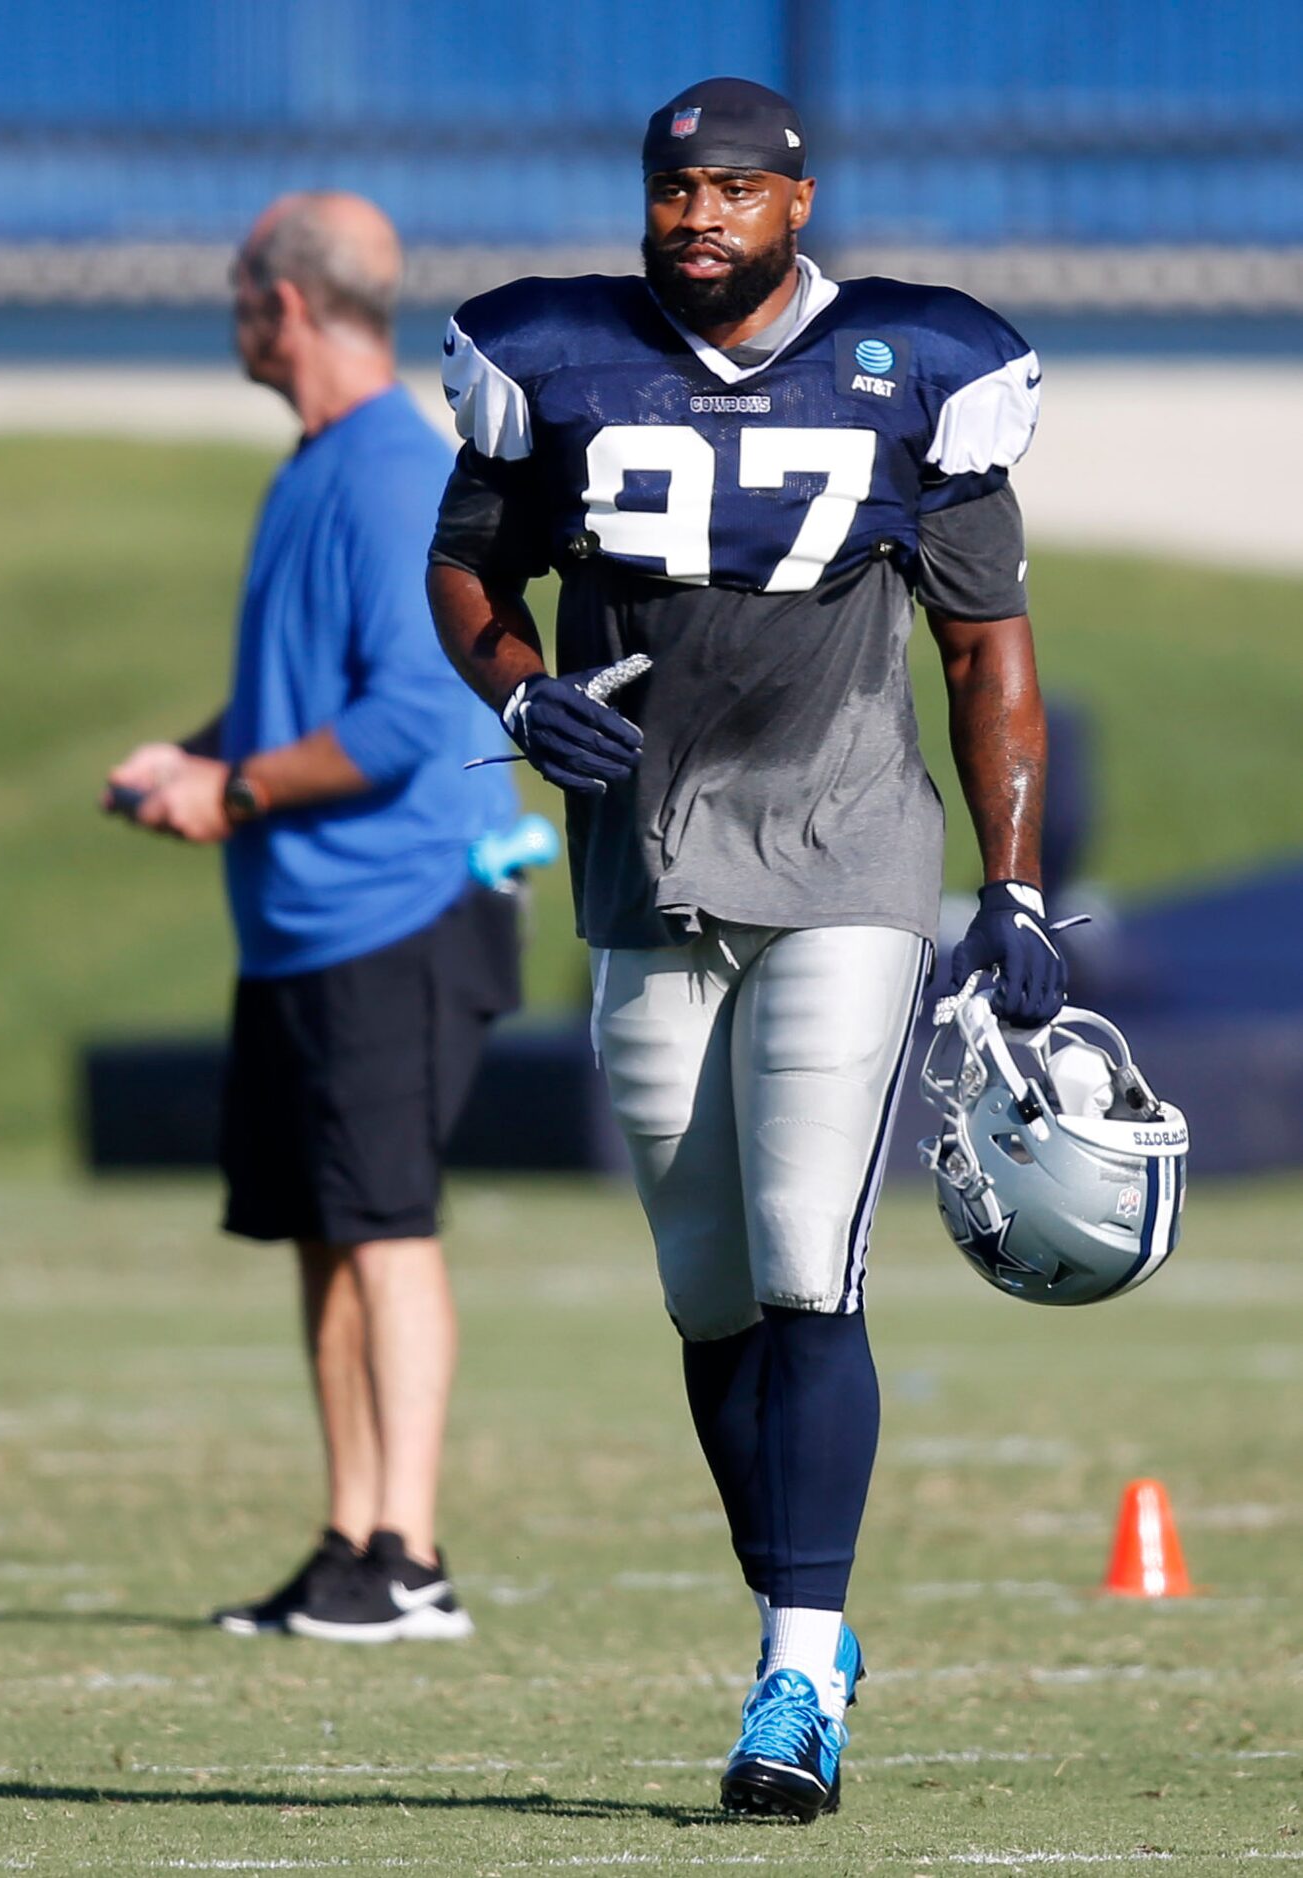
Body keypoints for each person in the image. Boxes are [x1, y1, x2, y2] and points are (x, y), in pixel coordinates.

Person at [426, 77, 1068, 1821]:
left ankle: (797, 1660)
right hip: (646, 859)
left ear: (796, 202)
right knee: (706, 1285)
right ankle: (803, 1618)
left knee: (805, 1249)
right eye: (670, 189)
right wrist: (523, 690)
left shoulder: (916, 367)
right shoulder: (549, 355)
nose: (696, 215)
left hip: (848, 840)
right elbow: (469, 564)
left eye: (730, 190)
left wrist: (1009, 887)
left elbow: (985, 651)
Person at [107, 190, 520, 1644]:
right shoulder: (317, 467)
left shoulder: (397, 471)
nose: (230, 305)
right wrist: (201, 759)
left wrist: (231, 795)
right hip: (306, 924)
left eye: (237, 284)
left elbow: (408, 722)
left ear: (284, 304)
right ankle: (350, 1538)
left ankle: (409, 1556)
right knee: (323, 1230)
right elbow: (307, 703)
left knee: (386, 1225)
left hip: (396, 911)